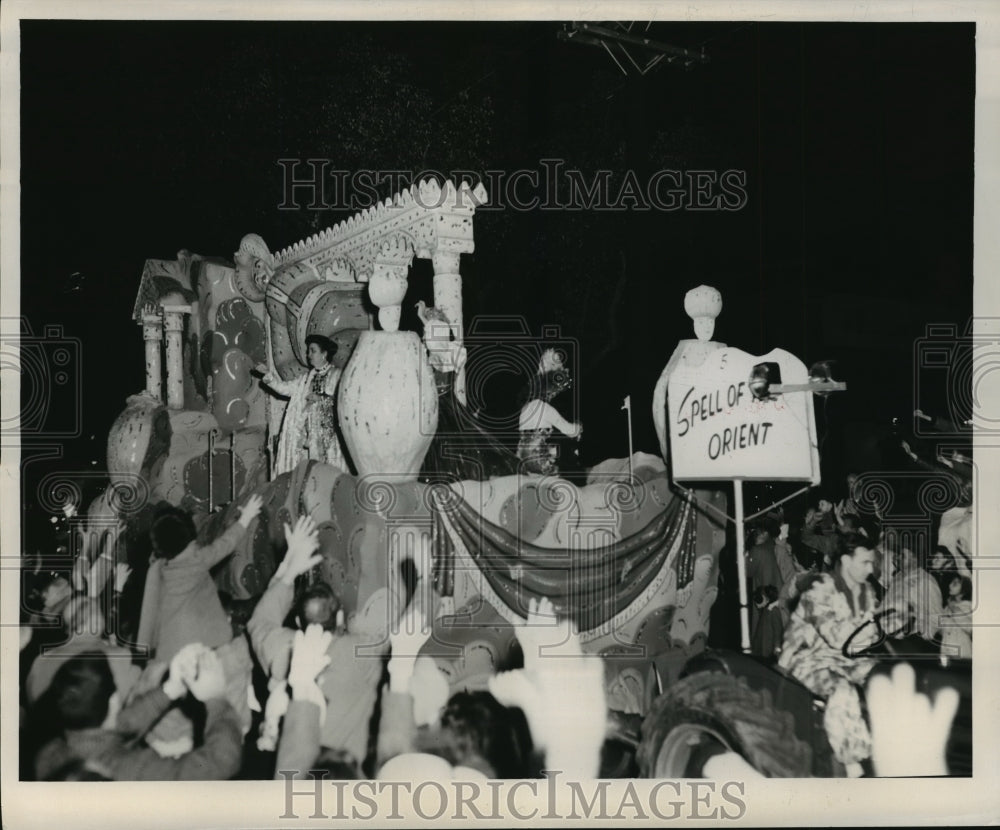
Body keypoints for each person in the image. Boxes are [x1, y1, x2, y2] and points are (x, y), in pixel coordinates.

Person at [32, 644, 243, 781]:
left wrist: (171, 688)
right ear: (114, 700)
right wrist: (217, 699)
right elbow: (221, 761)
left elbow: (116, 729)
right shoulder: (135, 771)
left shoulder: (49, 754)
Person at [777, 533, 882, 776]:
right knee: (841, 689)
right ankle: (852, 764)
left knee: (887, 676)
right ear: (846, 561)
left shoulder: (867, 591)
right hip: (806, 657)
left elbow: (874, 633)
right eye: (865, 562)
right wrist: (864, 635)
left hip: (845, 658)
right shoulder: (820, 589)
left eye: (872, 563)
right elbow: (838, 637)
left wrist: (867, 635)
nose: (871, 568)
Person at [136, 494, 262, 663]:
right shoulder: (197, 559)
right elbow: (226, 543)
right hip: (208, 643)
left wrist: (142, 648)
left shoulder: (156, 570)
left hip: (171, 649)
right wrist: (246, 517)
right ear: (188, 535)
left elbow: (148, 609)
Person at [415, 302, 520, 483]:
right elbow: (436, 335)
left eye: (427, 331)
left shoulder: (444, 353)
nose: (425, 336)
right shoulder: (443, 351)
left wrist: (424, 317)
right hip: (442, 405)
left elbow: (436, 336)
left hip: (443, 407)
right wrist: (423, 317)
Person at [258, 334, 348, 477]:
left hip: (333, 436)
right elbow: (284, 388)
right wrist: (268, 376)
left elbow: (344, 400)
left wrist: (322, 398)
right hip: (313, 435)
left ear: (324, 354)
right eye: (308, 351)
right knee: (316, 475)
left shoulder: (337, 375)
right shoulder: (306, 379)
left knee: (334, 473)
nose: (308, 354)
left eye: (313, 351)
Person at [516, 349, 582, 477]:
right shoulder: (545, 408)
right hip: (540, 459)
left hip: (523, 457)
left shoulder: (525, 409)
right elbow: (569, 430)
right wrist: (579, 427)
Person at [880, 533, 943, 642]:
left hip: (910, 640)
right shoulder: (898, 576)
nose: (898, 558)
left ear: (915, 558)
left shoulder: (926, 581)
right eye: (899, 554)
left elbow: (936, 618)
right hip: (888, 634)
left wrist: (918, 637)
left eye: (903, 555)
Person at [939, 575, 972, 659]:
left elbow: (971, 628)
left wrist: (955, 610)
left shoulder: (968, 606)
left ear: (964, 589)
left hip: (962, 654)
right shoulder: (947, 607)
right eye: (951, 583)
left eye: (955, 584)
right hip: (946, 653)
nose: (950, 585)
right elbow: (941, 630)